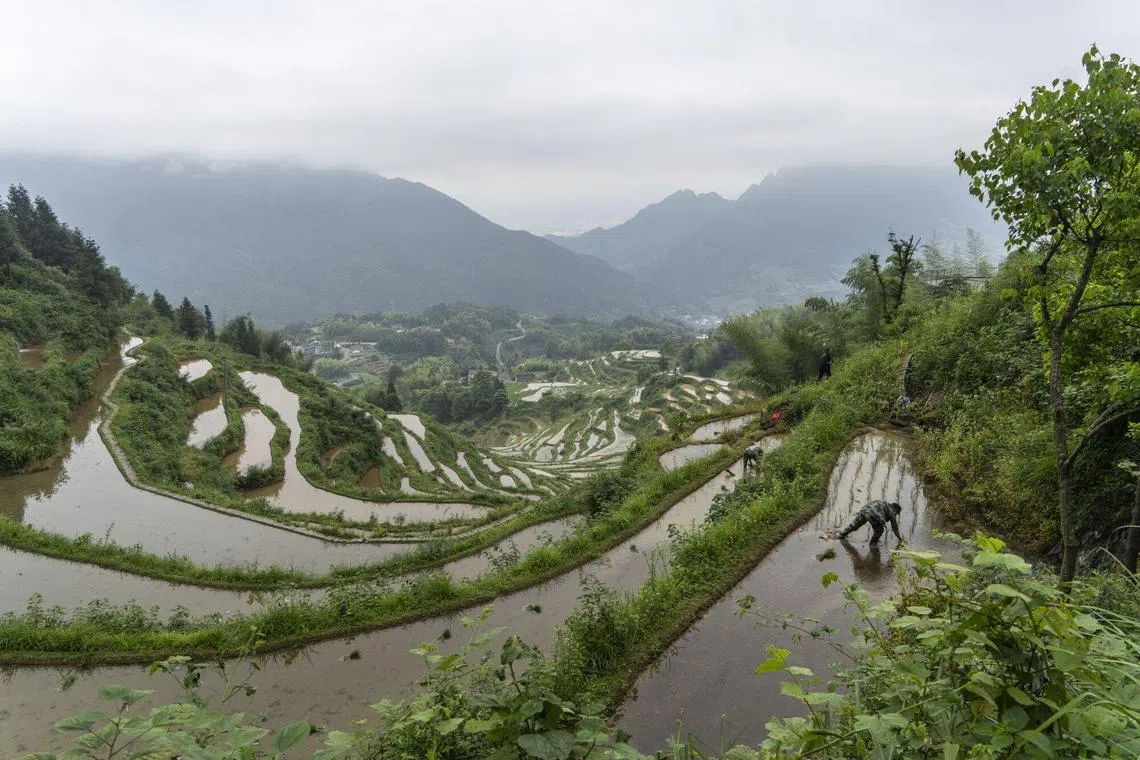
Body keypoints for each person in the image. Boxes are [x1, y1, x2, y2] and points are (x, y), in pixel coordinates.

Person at [835, 500, 903, 545]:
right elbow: (895, 528)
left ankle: (841, 534)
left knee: (854, 525)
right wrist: (900, 539)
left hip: (865, 510)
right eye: (897, 513)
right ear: (896, 510)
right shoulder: (893, 511)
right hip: (874, 515)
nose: (896, 514)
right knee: (879, 531)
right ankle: (873, 544)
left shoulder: (883, 502)